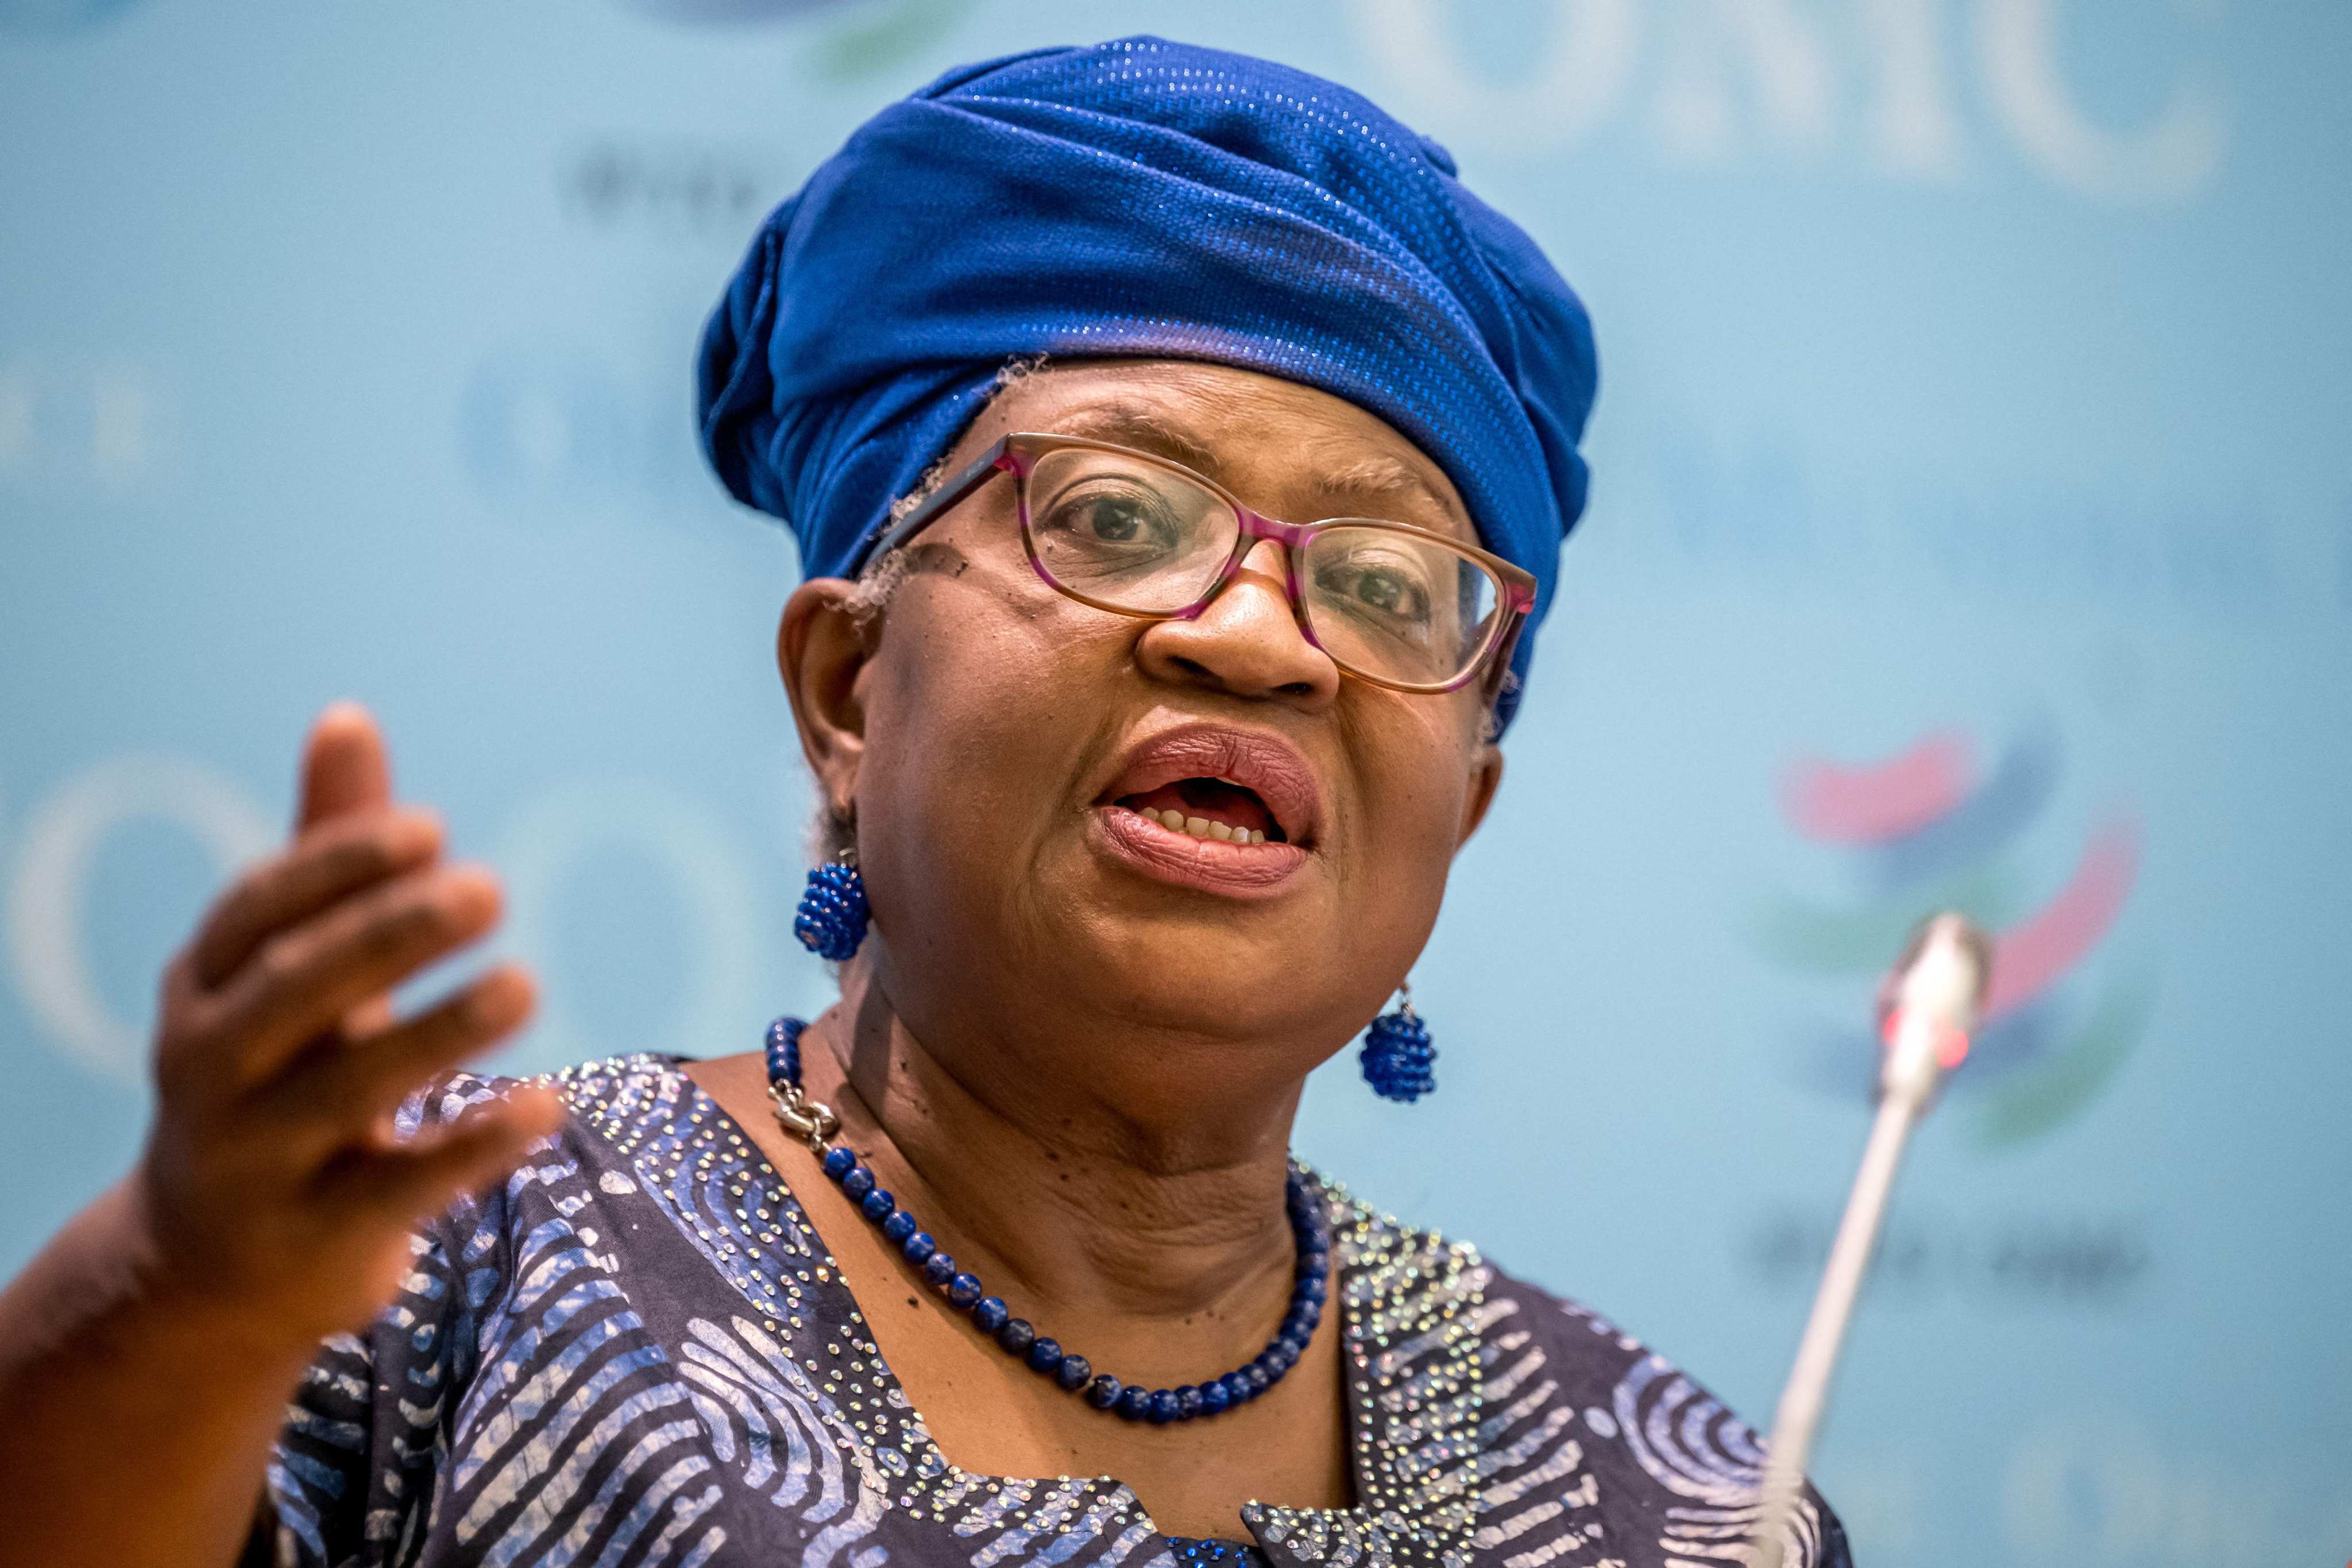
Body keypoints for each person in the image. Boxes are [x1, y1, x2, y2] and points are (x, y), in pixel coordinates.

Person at [0, 36, 1851, 1568]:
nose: (1262, 640)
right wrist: (176, 1298)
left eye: (1382, 584)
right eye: (1120, 517)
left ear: (1467, 806)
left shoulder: (1680, 1503)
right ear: (846, 690)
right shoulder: (464, 1267)